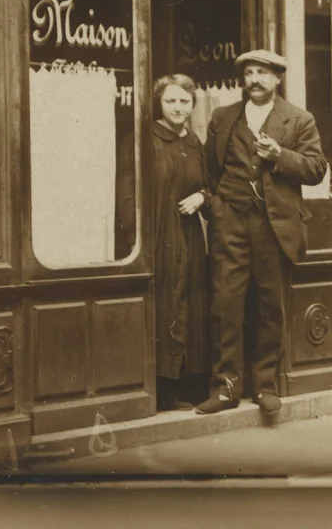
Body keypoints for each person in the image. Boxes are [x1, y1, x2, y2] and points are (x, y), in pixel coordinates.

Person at [195, 49, 327, 420]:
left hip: (275, 226)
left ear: (277, 79)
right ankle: (225, 388)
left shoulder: (299, 119)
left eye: (263, 73)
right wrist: (218, 208)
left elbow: (317, 168)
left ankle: (265, 385)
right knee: (225, 304)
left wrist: (279, 156)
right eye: (249, 73)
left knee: (272, 306)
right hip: (231, 221)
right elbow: (210, 170)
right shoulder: (223, 117)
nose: (254, 79)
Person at [152, 73, 210, 411]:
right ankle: (163, 387)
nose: (177, 107)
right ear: (159, 103)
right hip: (159, 238)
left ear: (192, 105)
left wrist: (202, 197)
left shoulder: (194, 144)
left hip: (189, 235)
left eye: (184, 101)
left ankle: (191, 382)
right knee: (165, 304)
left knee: (192, 305)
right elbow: (129, 194)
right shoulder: (148, 139)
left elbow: (210, 184)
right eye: (170, 101)